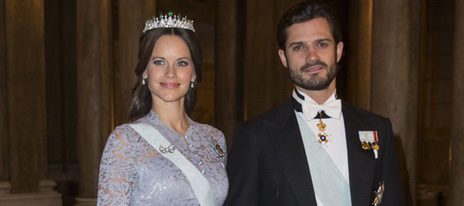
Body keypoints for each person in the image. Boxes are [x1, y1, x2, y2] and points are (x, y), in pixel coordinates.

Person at [224, 1, 406, 206]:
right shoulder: (254, 136)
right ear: (283, 57)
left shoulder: (377, 129)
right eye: (298, 47)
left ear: (338, 50)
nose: (312, 56)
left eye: (322, 44)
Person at [98, 12, 228, 206]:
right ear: (144, 70)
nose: (170, 73)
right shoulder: (125, 141)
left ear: (193, 73)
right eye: (159, 62)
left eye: (182, 63)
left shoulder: (214, 139)